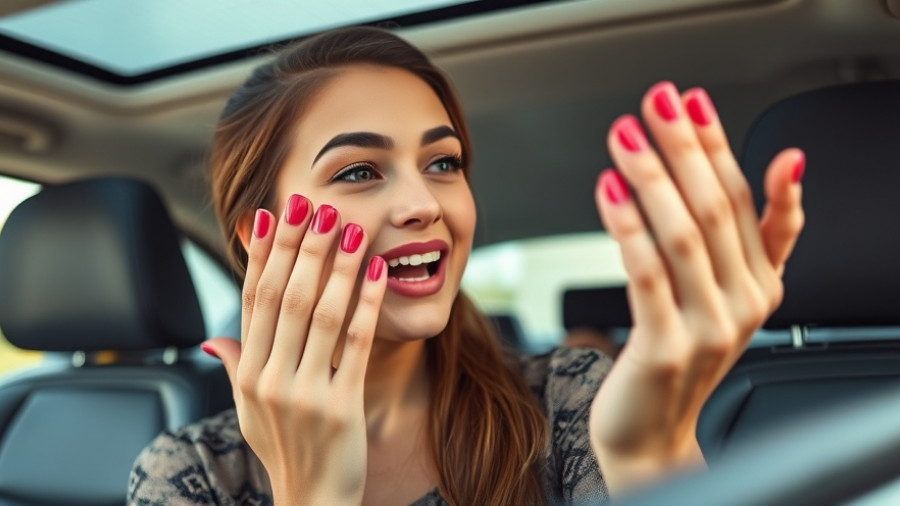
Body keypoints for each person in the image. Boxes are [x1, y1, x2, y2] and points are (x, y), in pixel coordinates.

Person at [127, 26, 804, 506]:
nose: (424, 203)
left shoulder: (569, 400)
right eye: (360, 170)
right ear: (259, 234)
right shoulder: (190, 473)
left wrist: (651, 456)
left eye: (443, 162)